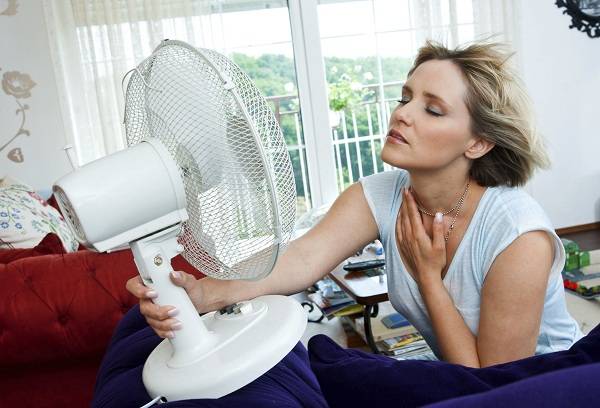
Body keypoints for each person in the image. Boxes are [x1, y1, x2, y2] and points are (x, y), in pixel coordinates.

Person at [126, 40, 582, 368]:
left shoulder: (517, 234)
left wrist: (428, 277)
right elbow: (300, 259)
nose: (401, 113)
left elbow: (496, 384)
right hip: (460, 377)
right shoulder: (383, 193)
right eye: (405, 98)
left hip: (545, 387)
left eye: (433, 109)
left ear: (479, 143)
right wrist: (203, 292)